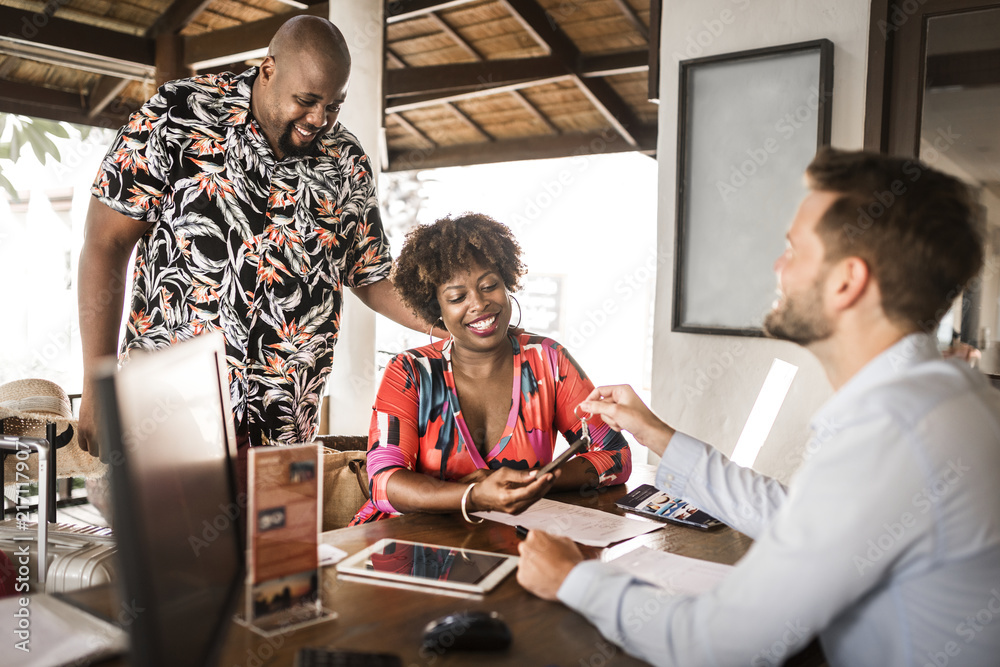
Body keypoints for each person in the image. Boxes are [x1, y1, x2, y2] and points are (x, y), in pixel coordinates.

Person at [516, 148, 1000, 666]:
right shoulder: (943, 400)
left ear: (846, 281)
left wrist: (573, 578)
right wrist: (653, 432)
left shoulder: (893, 430)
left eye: (793, 250)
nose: (777, 266)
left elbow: (719, 645)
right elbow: (797, 518)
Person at [77, 16, 435, 457]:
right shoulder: (179, 114)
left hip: (283, 429)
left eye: (334, 106)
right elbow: (106, 243)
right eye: (306, 100)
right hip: (167, 415)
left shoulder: (346, 161)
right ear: (268, 70)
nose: (319, 119)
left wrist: (455, 322)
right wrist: (97, 385)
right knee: (164, 508)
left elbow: (371, 276)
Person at [350, 213, 631, 525]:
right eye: (457, 297)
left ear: (507, 283)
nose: (479, 303)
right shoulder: (409, 372)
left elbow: (615, 456)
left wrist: (532, 482)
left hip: (504, 540)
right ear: (435, 308)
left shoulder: (548, 360)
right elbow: (384, 484)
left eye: (489, 286)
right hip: (404, 538)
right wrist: (473, 496)